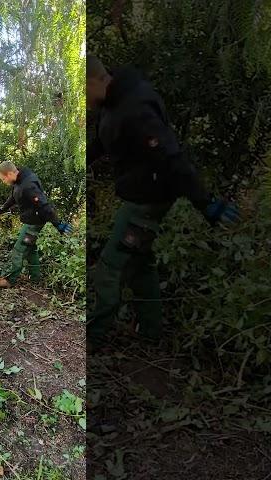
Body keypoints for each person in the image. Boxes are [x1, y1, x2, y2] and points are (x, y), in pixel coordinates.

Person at [85, 55, 239, 350]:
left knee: (110, 266)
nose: (85, 101)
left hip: (148, 199)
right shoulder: (110, 103)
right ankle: (151, 331)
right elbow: (103, 141)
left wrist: (205, 202)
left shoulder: (136, 107)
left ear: (94, 81)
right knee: (140, 261)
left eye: (83, 94)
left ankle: (93, 337)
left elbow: (171, 157)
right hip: (137, 191)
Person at [0, 161, 73, 288]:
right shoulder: (18, 179)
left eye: (3, 178)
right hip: (30, 220)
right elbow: (13, 197)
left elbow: (44, 205)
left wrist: (58, 224)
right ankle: (36, 278)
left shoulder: (28, 185)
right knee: (30, 248)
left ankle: (10, 280)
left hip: (34, 223)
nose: (3, 181)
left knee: (19, 250)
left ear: (10, 173)